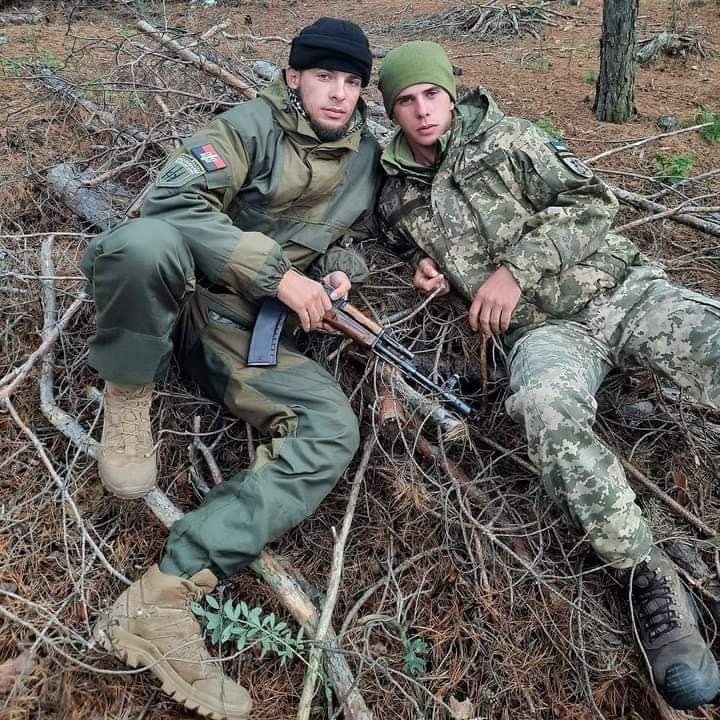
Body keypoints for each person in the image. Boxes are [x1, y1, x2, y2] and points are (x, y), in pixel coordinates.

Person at [376, 40, 720, 711]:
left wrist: (514, 271)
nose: (423, 111)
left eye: (432, 95)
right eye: (406, 100)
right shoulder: (395, 199)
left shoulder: (509, 140)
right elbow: (395, 255)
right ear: (391, 110)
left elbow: (592, 202)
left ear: (452, 93)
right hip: (547, 336)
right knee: (538, 404)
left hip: (623, 292)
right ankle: (648, 575)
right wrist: (429, 273)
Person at [84, 18, 381, 720]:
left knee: (330, 427)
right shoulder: (249, 128)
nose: (336, 93)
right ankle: (128, 394)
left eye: (350, 81)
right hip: (182, 297)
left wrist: (338, 278)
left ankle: (163, 598)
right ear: (293, 78)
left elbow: (354, 241)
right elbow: (170, 201)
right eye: (323, 76)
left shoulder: (366, 159)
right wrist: (278, 275)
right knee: (142, 245)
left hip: (242, 334)